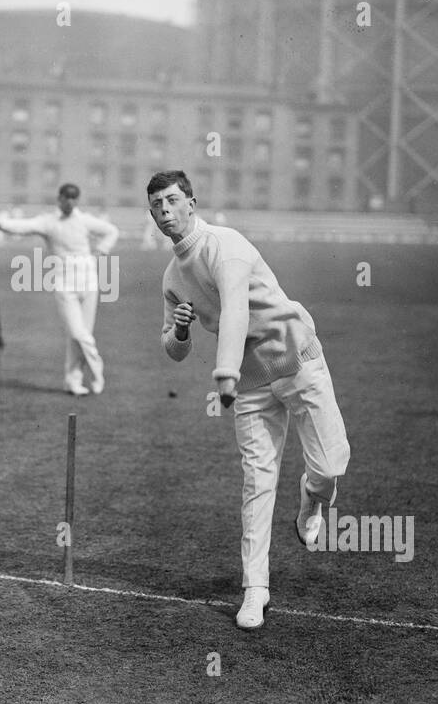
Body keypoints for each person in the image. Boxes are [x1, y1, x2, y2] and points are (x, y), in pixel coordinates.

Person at [147, 170, 349, 631]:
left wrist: (224, 375)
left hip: (296, 360)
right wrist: (180, 330)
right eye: (156, 204)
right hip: (252, 386)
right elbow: (173, 350)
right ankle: (255, 589)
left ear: (192, 203)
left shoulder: (226, 245)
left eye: (173, 200)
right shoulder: (172, 276)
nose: (165, 211)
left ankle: (312, 501)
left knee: (330, 468)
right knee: (257, 483)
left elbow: (236, 307)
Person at [0, 183, 118, 396]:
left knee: (80, 337)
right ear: (59, 199)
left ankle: (73, 382)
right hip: (64, 283)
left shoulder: (83, 220)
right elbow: (22, 226)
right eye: (66, 197)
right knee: (77, 332)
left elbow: (111, 231)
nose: (70, 202)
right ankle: (98, 373)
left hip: (89, 282)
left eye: (74, 198)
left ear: (77, 200)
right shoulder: (48, 222)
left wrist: (100, 251)